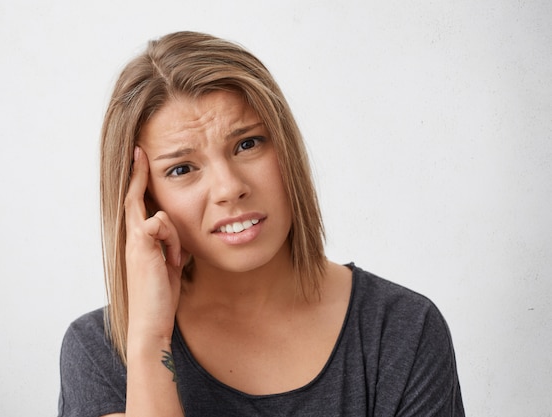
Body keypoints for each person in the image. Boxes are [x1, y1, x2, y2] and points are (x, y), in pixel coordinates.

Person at [57, 31, 465, 417]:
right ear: (146, 200)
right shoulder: (98, 350)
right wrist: (149, 342)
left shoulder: (402, 330)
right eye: (182, 168)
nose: (229, 188)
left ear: (285, 147)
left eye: (247, 144)